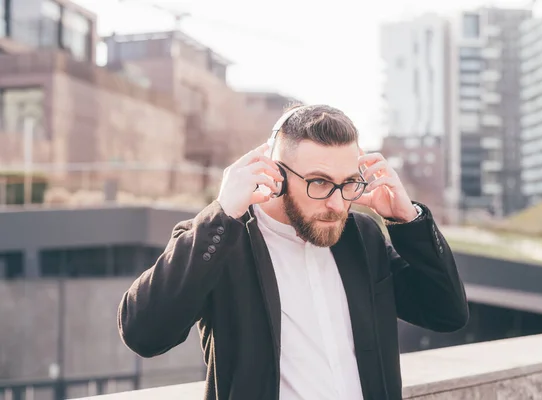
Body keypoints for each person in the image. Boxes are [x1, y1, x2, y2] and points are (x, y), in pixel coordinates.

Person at [117, 104, 469, 400]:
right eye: (319, 182)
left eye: (348, 182)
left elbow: (446, 313)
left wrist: (408, 220)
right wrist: (223, 212)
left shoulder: (363, 237)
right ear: (277, 174)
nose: (336, 203)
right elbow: (144, 334)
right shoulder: (221, 241)